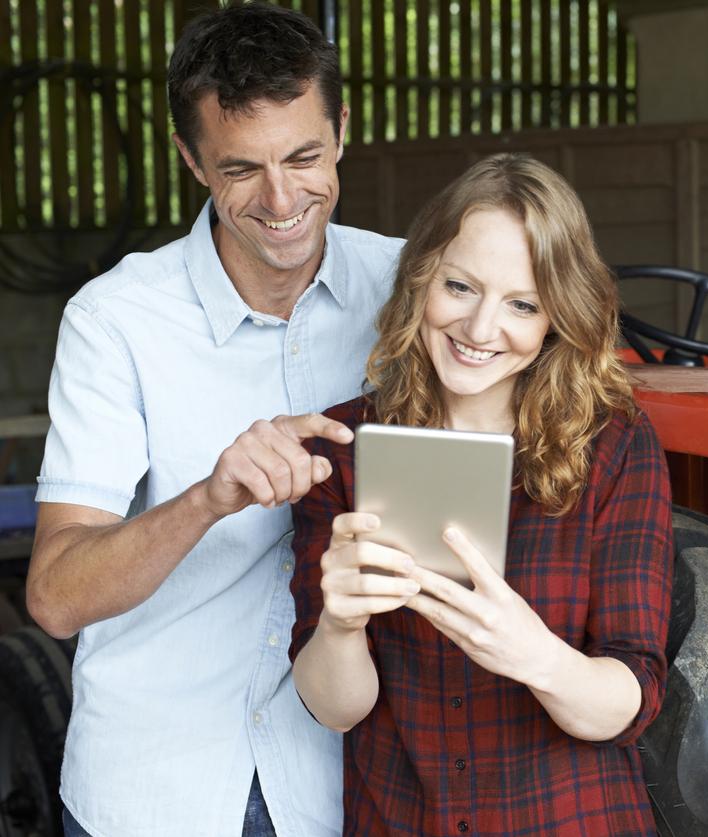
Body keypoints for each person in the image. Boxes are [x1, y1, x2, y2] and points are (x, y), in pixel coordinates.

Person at [28, 4, 402, 835]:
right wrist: (209, 497)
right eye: (241, 169)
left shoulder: (413, 290)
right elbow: (53, 595)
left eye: (305, 156)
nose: (281, 200)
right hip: (156, 791)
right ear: (192, 160)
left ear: (342, 130)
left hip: (348, 785)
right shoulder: (115, 320)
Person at [288, 153, 674, 835]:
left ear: (557, 316)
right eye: (460, 287)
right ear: (422, 277)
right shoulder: (344, 447)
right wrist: (340, 624)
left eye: (522, 303)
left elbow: (633, 699)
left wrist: (535, 655)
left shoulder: (613, 446)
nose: (479, 328)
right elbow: (335, 709)